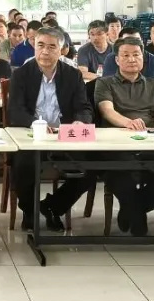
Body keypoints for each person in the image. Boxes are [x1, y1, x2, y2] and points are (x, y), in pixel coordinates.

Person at [7, 28, 94, 231]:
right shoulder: (21, 74)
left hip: (63, 136)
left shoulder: (72, 75)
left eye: (52, 46)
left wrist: (80, 121)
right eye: (40, 45)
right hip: (31, 136)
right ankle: (29, 211)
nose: (45, 51)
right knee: (23, 166)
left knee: (90, 168)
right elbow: (16, 111)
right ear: (34, 47)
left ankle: (53, 207)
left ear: (62, 50)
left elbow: (84, 107)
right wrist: (36, 124)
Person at [94, 37, 154, 236]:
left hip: (151, 144)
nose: (132, 59)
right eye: (125, 55)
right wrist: (128, 122)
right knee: (120, 175)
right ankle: (137, 217)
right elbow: (107, 111)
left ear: (143, 58)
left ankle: (132, 210)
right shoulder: (104, 83)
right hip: (117, 145)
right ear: (117, 60)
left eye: (136, 54)